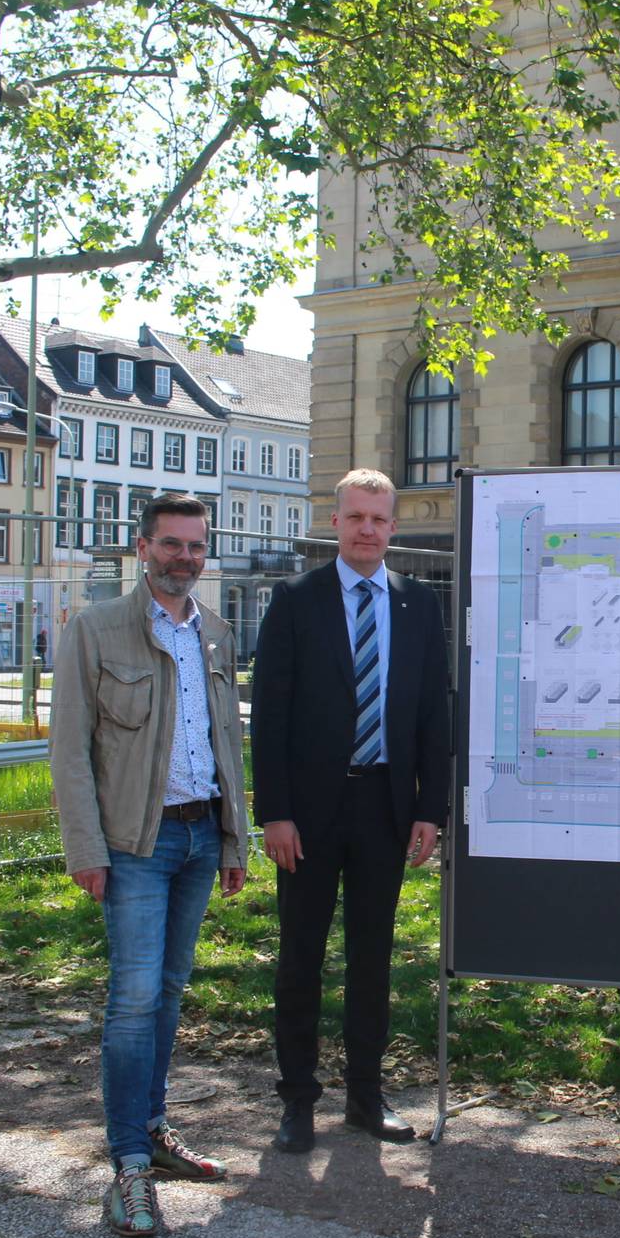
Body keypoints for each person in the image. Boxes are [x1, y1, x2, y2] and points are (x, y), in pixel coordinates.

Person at [50, 491, 249, 1237]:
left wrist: (233, 839)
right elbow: (69, 751)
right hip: (135, 843)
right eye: (171, 544)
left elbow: (227, 744)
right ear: (142, 548)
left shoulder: (215, 634)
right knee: (133, 997)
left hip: (200, 836)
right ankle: (129, 1164)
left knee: (168, 990)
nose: (184, 558)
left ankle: (154, 1128)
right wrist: (85, 849)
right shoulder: (97, 630)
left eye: (196, 546)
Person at [253, 467, 451, 1153]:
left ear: (394, 526)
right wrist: (275, 812)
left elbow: (433, 712)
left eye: (379, 518)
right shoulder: (295, 600)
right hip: (307, 813)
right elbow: (269, 715)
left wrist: (430, 808)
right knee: (300, 957)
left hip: (385, 806)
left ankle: (366, 1096)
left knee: (372, 958)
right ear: (334, 522)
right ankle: (297, 1101)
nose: (368, 529)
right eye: (356, 517)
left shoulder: (417, 604)